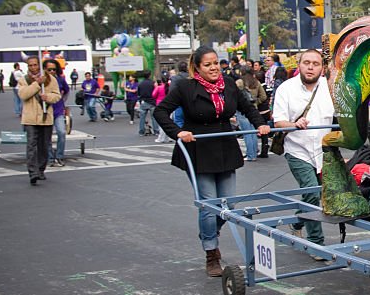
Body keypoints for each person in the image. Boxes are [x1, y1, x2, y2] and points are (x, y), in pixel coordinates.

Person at [154, 45, 266, 277]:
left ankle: (208, 233)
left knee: (229, 205)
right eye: (208, 64)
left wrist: (260, 125)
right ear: (197, 67)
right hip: (198, 148)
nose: (214, 67)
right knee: (209, 205)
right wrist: (177, 132)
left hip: (225, 147)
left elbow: (247, 108)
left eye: (216, 62)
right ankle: (211, 252)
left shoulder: (228, 84)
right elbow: (161, 111)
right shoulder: (185, 87)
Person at [271, 49, 335, 251]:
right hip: (297, 150)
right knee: (311, 192)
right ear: (299, 65)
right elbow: (278, 121)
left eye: (315, 63)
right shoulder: (286, 89)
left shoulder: (330, 86)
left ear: (322, 68)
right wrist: (293, 124)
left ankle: (298, 222)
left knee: (316, 195)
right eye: (306, 62)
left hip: (323, 151)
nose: (310, 67)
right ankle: (316, 243)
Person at [17, 56, 60, 185]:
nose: (33, 68)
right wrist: (37, 84)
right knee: (31, 145)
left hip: (45, 117)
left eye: (35, 65)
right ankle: (33, 172)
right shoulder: (23, 80)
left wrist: (48, 97)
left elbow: (57, 95)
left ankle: (41, 169)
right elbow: (23, 95)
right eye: (30, 65)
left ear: (39, 65)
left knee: (44, 145)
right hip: (30, 118)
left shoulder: (51, 79)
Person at [44, 59, 69, 167]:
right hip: (45, 111)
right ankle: (50, 158)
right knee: (47, 137)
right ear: (45, 69)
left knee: (61, 133)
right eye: (49, 69)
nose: (52, 71)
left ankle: (59, 156)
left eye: (54, 69)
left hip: (58, 110)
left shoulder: (60, 80)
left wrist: (62, 101)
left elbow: (67, 91)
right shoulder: (41, 81)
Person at [136, 70, 156, 136]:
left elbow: (138, 93)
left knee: (142, 117)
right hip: (152, 101)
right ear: (150, 75)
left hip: (143, 101)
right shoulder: (153, 83)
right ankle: (156, 131)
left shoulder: (140, 83)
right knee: (154, 117)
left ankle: (141, 131)